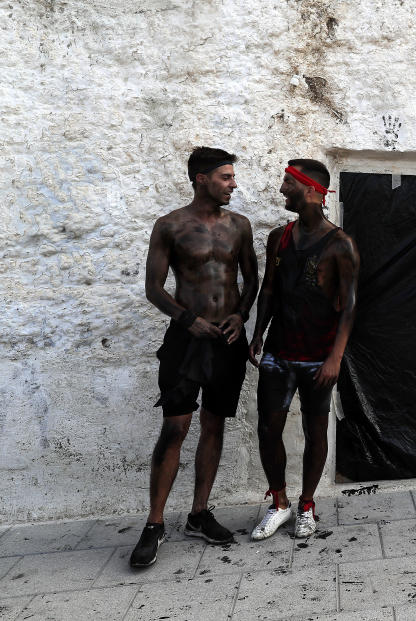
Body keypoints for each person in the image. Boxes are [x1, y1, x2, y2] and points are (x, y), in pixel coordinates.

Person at [130, 147, 258, 568]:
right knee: (174, 427)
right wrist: (188, 321)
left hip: (227, 340)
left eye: (232, 176)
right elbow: (154, 288)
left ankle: (199, 513)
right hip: (187, 340)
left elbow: (251, 282)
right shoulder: (170, 226)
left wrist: (240, 317)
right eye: (225, 177)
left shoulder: (240, 226)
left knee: (214, 423)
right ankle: (154, 523)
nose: (233, 184)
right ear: (201, 178)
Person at [248, 159, 359, 539]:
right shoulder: (278, 236)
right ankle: (279, 502)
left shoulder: (340, 243)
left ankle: (307, 504)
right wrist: (258, 332)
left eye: (287, 183)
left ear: (310, 189)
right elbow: (269, 289)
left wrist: (335, 357)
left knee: (315, 430)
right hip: (278, 352)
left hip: (318, 358)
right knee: (268, 428)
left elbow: (350, 307)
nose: (281, 189)